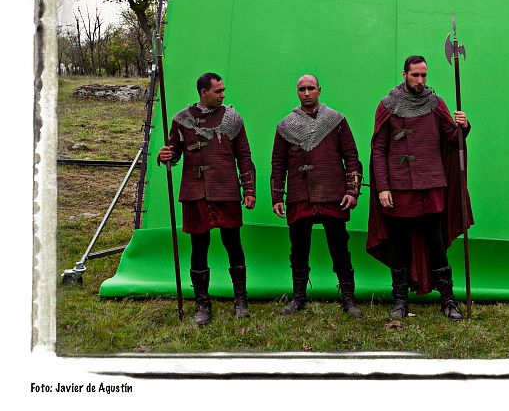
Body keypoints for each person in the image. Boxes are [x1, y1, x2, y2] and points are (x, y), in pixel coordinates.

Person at [367, 55, 474, 321]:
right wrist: (382, 187)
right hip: (399, 188)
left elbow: (452, 139)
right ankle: (400, 301)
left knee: (436, 244)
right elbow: (378, 150)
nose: (420, 80)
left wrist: (463, 126)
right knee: (399, 245)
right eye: (415, 75)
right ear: (404, 74)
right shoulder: (387, 105)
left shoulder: (436, 103)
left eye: (424, 75)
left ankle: (448, 300)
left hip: (431, 185)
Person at [157, 72, 256, 325]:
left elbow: (244, 157)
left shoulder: (232, 119)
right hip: (195, 192)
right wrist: (165, 155)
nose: (223, 95)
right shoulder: (182, 119)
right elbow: (174, 153)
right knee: (199, 246)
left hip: (225, 190)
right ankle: (202, 304)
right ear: (204, 92)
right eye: (218, 91)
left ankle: (241, 300)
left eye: (223, 90)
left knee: (233, 243)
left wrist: (249, 190)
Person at [270, 74, 364, 318]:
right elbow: (278, 164)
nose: (306, 93)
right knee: (298, 249)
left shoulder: (336, 120)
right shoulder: (285, 125)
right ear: (297, 92)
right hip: (300, 195)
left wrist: (352, 191)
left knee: (339, 247)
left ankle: (349, 298)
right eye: (302, 89)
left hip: (332, 193)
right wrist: (277, 197)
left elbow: (351, 157)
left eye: (311, 88)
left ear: (319, 90)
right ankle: (298, 298)